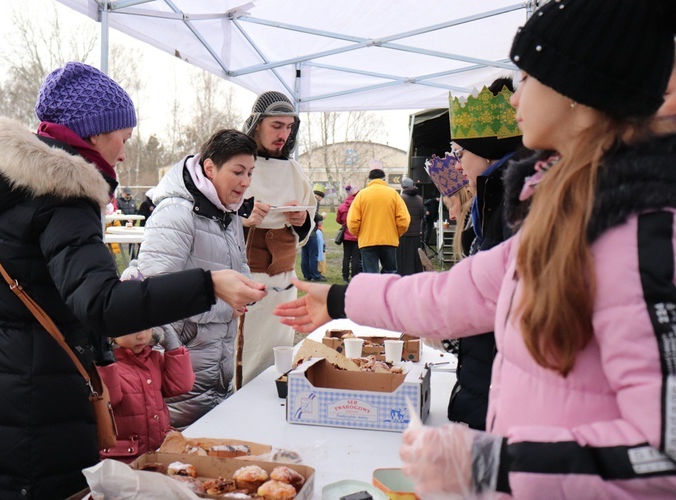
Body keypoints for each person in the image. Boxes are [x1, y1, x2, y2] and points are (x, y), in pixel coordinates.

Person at [275, 0, 676, 496]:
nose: (513, 99)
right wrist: (337, 300)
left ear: (578, 91)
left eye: (526, 78)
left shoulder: (645, 237)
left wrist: (494, 464)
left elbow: (664, 455)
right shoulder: (563, 212)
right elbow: (455, 294)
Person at [0, 62, 266, 499]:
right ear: (93, 133)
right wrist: (208, 284)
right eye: (122, 138)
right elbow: (103, 305)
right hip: (30, 405)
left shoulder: (4, 183)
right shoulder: (62, 193)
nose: (124, 153)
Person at [136, 129, 257, 428]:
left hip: (217, 368)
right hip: (180, 372)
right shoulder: (176, 214)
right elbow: (153, 294)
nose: (246, 182)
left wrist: (247, 287)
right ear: (209, 168)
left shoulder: (227, 213)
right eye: (238, 172)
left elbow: (238, 264)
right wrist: (226, 304)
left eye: (251, 173)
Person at [446, 77, 524, 430]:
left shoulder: (513, 200)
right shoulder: (490, 198)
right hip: (486, 374)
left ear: (487, 151)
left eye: (462, 153)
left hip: (502, 382)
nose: (458, 165)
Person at [236, 91, 317, 388]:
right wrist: (244, 216)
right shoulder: (237, 164)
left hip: (284, 278)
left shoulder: (294, 169)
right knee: (247, 350)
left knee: (278, 349)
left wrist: (301, 220)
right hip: (248, 276)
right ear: (257, 124)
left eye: (289, 127)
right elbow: (214, 216)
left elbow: (308, 219)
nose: (284, 134)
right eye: (277, 125)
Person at [98, 267, 195, 463]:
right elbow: (110, 400)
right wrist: (104, 357)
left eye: (147, 326)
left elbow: (181, 386)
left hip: (157, 451)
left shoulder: (153, 358)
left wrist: (173, 348)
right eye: (132, 329)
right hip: (125, 459)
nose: (142, 335)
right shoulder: (106, 365)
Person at [347, 168, 410, 274]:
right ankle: (388, 291)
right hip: (389, 240)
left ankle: (373, 290)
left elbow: (352, 221)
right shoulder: (393, 194)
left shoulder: (361, 195)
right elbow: (404, 220)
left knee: (371, 274)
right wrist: (396, 233)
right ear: (384, 180)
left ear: (369, 180)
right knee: (390, 272)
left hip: (367, 241)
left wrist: (360, 234)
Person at [396, 177, 424, 275]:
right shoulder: (420, 199)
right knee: (414, 259)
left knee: (402, 259)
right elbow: (421, 215)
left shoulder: (400, 199)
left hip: (403, 233)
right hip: (415, 233)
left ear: (402, 186)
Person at [300, 186, 327, 281]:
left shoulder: (305, 199)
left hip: (303, 232)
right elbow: (314, 215)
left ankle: (306, 275)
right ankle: (315, 275)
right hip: (311, 232)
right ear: (320, 196)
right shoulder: (315, 201)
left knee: (305, 254)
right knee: (312, 254)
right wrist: (322, 217)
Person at [336, 185, 360, 282]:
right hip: (358, 234)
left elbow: (338, 220)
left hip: (346, 235)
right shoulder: (359, 206)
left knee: (346, 256)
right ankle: (354, 276)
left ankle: (345, 275)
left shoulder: (342, 207)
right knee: (356, 257)